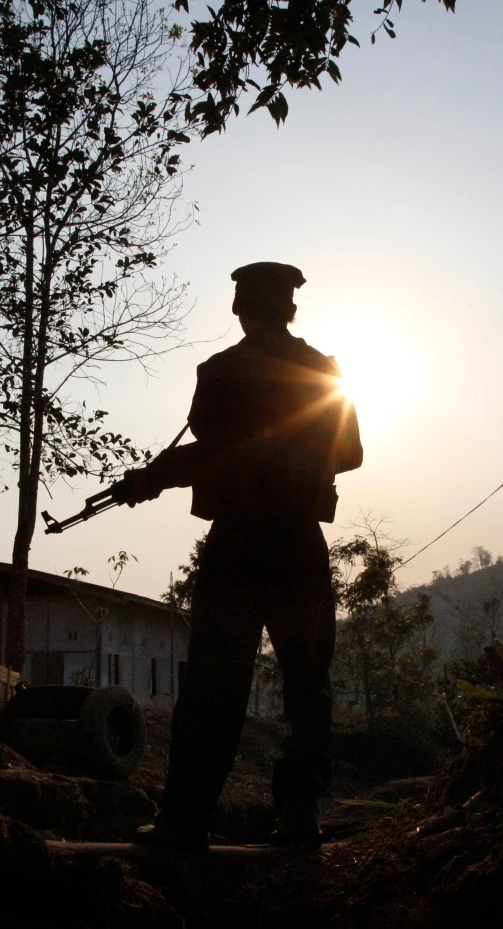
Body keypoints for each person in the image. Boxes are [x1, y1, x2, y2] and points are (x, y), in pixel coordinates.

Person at [123, 261, 362, 851]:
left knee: (213, 687)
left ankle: (184, 821)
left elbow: (214, 453)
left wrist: (154, 478)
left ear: (241, 310)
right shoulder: (325, 373)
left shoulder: (220, 372)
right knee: (307, 687)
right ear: (291, 310)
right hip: (300, 546)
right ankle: (300, 816)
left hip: (237, 546)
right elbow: (352, 453)